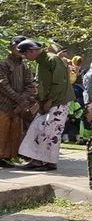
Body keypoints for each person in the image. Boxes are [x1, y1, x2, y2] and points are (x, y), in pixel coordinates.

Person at [17, 39, 74, 171]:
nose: (25, 57)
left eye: (25, 54)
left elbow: (60, 82)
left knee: (51, 131)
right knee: (35, 128)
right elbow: (42, 85)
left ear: (32, 51)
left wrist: (50, 100)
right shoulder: (41, 62)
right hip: (47, 101)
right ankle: (36, 160)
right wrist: (40, 102)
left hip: (59, 100)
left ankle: (50, 162)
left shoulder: (52, 60)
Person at [0, 36, 35, 166]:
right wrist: (20, 99)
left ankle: (7, 157)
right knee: (2, 131)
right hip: (3, 104)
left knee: (14, 133)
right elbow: (3, 85)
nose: (19, 49)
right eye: (17, 46)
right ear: (10, 48)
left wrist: (23, 100)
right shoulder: (3, 64)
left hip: (18, 106)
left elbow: (30, 84)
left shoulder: (25, 66)